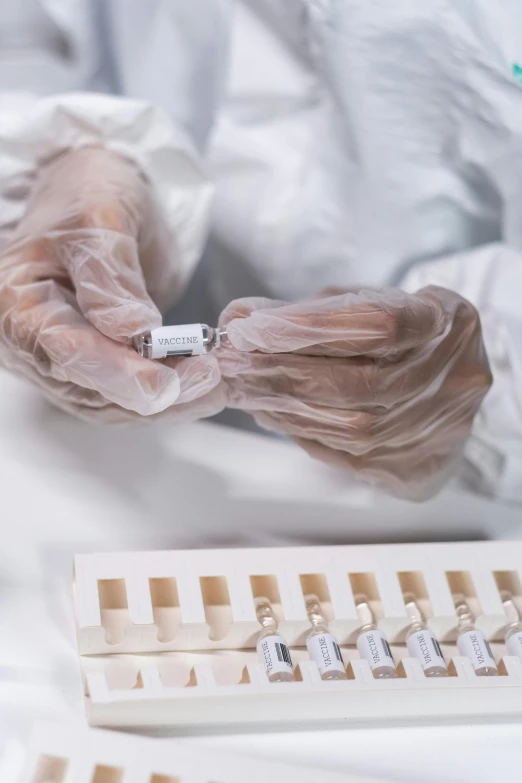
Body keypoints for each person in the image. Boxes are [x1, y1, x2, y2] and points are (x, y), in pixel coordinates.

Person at [0, 0, 518, 502]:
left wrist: (486, 384)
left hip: (446, 495)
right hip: (116, 459)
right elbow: (19, 33)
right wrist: (63, 158)